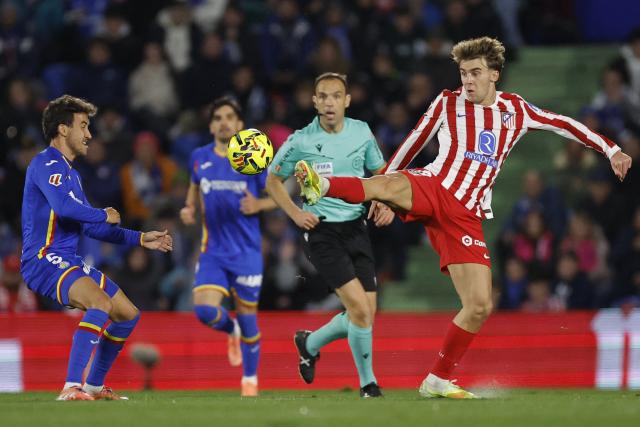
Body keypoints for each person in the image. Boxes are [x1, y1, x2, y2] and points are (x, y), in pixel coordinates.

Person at [294, 37, 633, 399]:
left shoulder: (516, 111)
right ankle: (322, 184)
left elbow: (565, 124)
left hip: (465, 214)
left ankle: (437, 379)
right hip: (434, 186)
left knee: (479, 305)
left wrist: (610, 149)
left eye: (475, 73)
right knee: (390, 183)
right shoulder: (448, 101)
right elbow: (413, 142)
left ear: (494, 75)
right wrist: (384, 193)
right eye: (463, 73)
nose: (467, 81)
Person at [20, 95, 173, 401]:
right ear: (63, 129)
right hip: (42, 259)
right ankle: (71, 387)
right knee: (100, 303)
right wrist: (103, 212)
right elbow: (65, 209)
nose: (89, 134)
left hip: (68, 260)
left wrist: (141, 238)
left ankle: (93, 386)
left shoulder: (72, 175)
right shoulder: (45, 163)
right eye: (84, 126)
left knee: (127, 314)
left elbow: (91, 226)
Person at [266, 72, 393, 398]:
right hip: (322, 232)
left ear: (347, 100)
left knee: (366, 312)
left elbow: (379, 173)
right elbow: (273, 181)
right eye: (323, 96)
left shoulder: (361, 131)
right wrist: (295, 213)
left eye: (336, 95)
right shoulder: (301, 140)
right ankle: (369, 385)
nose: (329, 102)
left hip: (357, 228)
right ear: (315, 101)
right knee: (361, 312)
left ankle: (309, 343)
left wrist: (380, 198)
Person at [180, 96, 276, 397]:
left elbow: (279, 197)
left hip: (247, 253)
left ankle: (250, 381)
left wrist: (259, 203)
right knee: (205, 311)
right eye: (218, 117)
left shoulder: (254, 157)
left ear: (240, 125)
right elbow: (195, 184)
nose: (224, 122)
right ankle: (230, 330)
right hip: (214, 252)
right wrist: (188, 207)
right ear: (211, 126)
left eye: (229, 117)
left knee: (249, 319)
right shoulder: (199, 156)